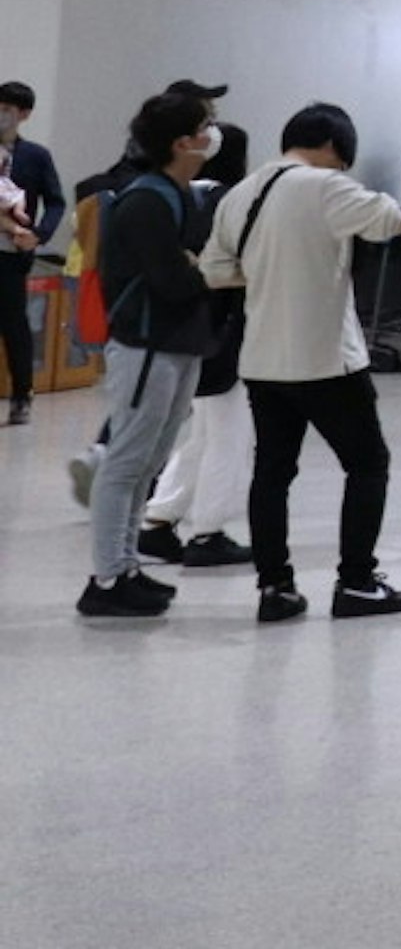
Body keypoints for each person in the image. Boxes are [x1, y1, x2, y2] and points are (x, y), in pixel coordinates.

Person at [201, 101, 401, 626]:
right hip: (326, 358)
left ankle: (275, 588)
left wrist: (269, 275)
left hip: (262, 360)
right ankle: (357, 582)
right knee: (367, 465)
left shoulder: (241, 193)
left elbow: (213, 268)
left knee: (272, 474)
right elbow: (392, 220)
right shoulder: (327, 186)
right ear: (334, 147)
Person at [77, 86, 219, 620]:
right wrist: (200, 270)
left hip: (177, 343)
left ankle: (128, 563)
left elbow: (190, 268)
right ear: (182, 142)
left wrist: (196, 268)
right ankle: (106, 576)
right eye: (205, 127)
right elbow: (174, 278)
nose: (212, 135)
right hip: (146, 345)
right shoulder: (145, 199)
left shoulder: (178, 194)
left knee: (151, 461)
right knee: (127, 461)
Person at [138, 120, 257, 571]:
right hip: (228, 330)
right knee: (230, 433)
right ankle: (209, 530)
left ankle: (159, 519)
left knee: (204, 431)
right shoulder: (234, 200)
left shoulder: (182, 195)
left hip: (193, 330)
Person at [0, 80, 60, 424]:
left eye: (9, 108)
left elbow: (55, 200)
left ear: (24, 114)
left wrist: (38, 235)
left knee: (15, 325)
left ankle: (22, 395)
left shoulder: (35, 156)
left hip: (12, 255)